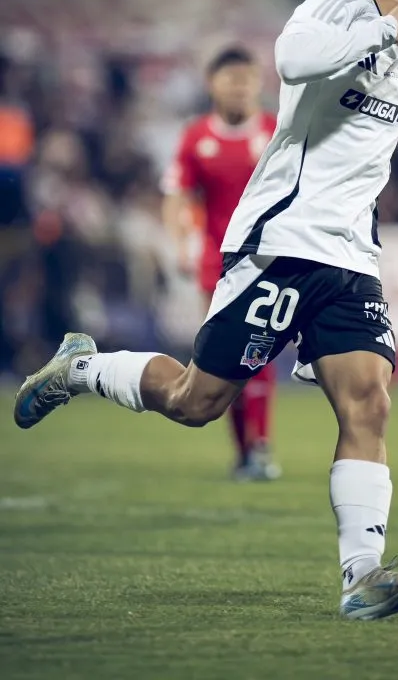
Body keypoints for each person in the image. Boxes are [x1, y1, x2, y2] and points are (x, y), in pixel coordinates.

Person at [14, 0, 398, 621]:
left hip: (351, 260)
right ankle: (81, 368)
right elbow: (294, 63)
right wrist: (389, 29)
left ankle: (361, 579)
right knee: (195, 401)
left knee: (370, 403)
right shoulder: (338, 11)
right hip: (281, 243)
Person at [162, 46, 280, 481]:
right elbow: (176, 195)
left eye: (247, 79)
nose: (240, 87)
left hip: (270, 259)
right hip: (217, 263)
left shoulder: (276, 130)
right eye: (231, 79)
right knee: (223, 359)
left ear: (258, 83)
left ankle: (261, 446)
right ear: (213, 84)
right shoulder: (196, 138)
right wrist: (180, 243)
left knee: (260, 352)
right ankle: (245, 451)